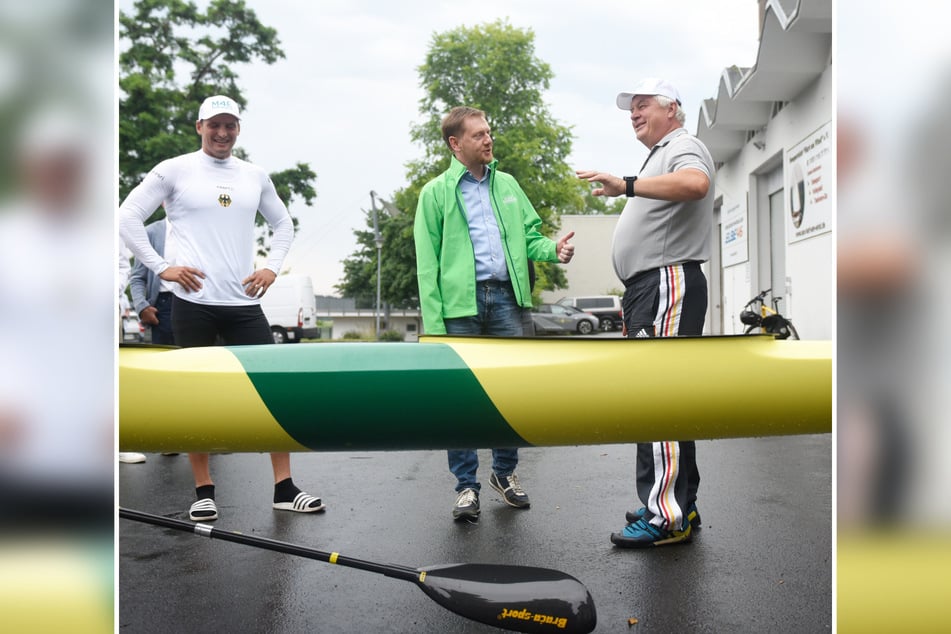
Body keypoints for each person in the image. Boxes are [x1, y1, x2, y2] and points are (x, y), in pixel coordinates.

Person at [119, 95, 325, 522]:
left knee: (274, 391)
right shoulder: (174, 170)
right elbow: (127, 217)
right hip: (193, 303)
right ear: (199, 127)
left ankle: (284, 488)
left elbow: (283, 223)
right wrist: (162, 268)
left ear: (238, 129)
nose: (222, 133)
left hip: (243, 303)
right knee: (196, 398)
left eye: (230, 125)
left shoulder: (253, 176)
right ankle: (203, 490)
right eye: (214, 124)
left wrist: (270, 268)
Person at [414, 105, 575, 521]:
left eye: (489, 132)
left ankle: (505, 474)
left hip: (506, 300)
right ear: (455, 143)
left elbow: (530, 238)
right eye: (478, 134)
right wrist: (434, 328)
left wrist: (553, 250)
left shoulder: (507, 185)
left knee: (512, 393)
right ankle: (466, 486)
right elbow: (426, 265)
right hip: (458, 309)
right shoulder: (435, 193)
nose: (488, 139)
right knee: (459, 400)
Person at [577, 78, 714, 547]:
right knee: (657, 397)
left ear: (672, 108)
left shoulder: (684, 144)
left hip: (666, 282)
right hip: (649, 286)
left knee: (661, 398)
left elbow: (697, 183)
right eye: (630, 109)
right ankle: (673, 504)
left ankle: (667, 516)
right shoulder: (661, 152)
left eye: (642, 106)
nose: (633, 114)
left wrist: (627, 185)